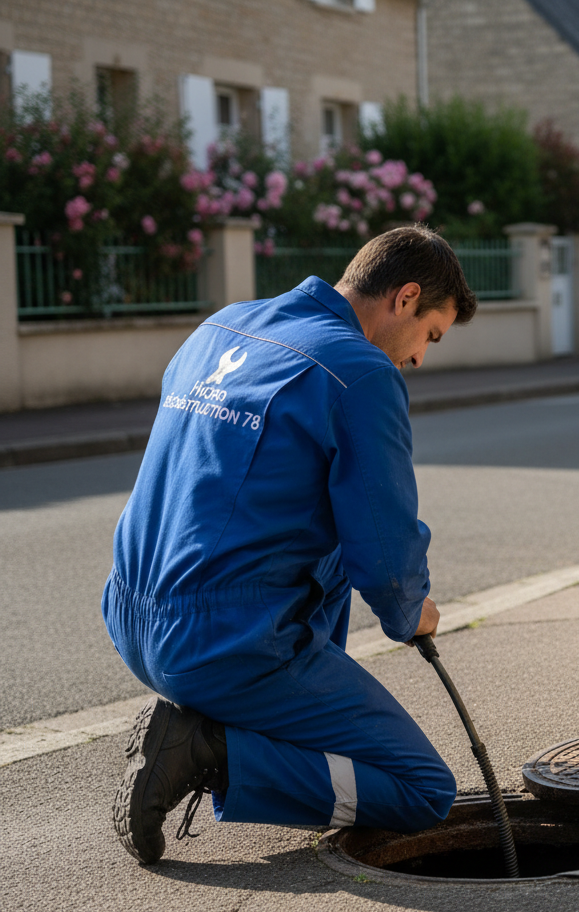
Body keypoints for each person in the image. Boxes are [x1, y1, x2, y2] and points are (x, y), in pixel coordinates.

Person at [103, 225, 477, 865]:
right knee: (424, 791)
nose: (418, 358)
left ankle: (233, 731)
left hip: (129, 618)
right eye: (430, 336)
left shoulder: (223, 325)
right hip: (222, 644)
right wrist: (410, 610)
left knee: (320, 530)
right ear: (406, 298)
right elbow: (385, 557)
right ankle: (212, 752)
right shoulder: (359, 373)